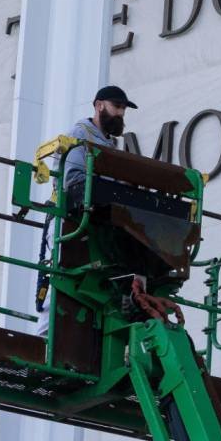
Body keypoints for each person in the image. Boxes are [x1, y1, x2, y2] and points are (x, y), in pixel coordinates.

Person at [36, 84, 137, 321]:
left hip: (88, 224)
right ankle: (43, 341)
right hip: (68, 220)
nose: (121, 113)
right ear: (99, 105)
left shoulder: (107, 142)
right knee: (60, 281)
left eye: (123, 109)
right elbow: (74, 181)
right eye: (117, 107)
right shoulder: (81, 134)